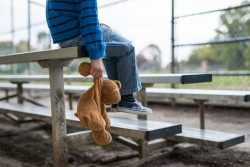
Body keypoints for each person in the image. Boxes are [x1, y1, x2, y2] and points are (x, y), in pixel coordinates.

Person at [46, 0, 152, 115]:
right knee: (127, 47)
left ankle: (116, 99)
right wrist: (96, 57)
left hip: (63, 38)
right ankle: (126, 99)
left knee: (112, 48)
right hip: (78, 34)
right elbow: (89, 19)